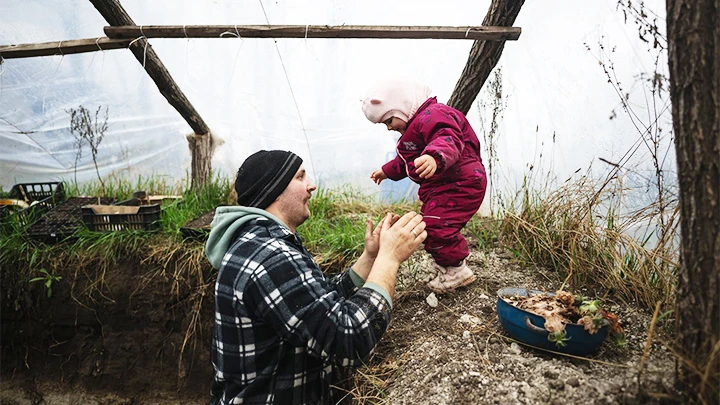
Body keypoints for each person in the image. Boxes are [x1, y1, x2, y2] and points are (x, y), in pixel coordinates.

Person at [204, 150, 426, 405]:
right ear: (274, 190)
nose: (312, 185)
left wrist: (370, 259)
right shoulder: (270, 257)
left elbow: (313, 305)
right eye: (300, 177)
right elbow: (349, 338)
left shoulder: (261, 242)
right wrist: (390, 258)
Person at [362, 78, 487, 294]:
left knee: (437, 226)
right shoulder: (414, 130)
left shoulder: (434, 115)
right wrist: (387, 171)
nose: (390, 128)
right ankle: (445, 265)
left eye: (389, 120)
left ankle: (457, 270)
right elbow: (405, 162)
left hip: (461, 182)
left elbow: (447, 138)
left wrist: (434, 156)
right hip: (444, 185)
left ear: (402, 106)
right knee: (431, 224)